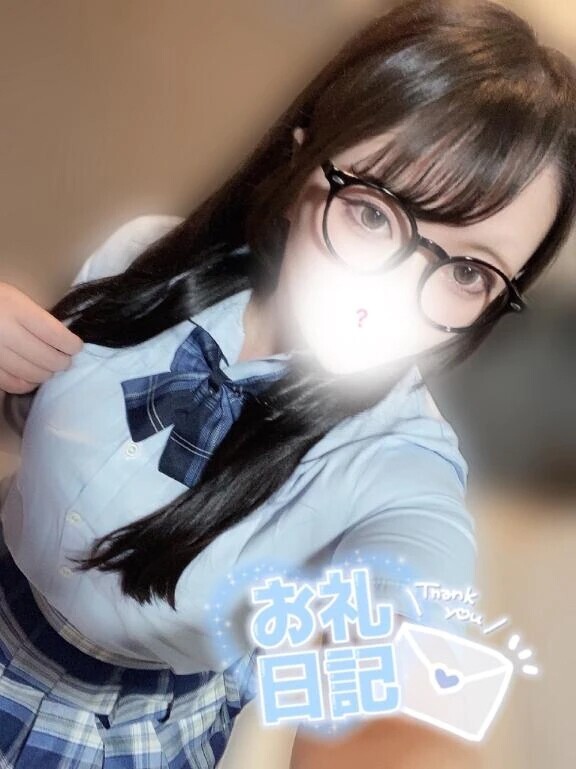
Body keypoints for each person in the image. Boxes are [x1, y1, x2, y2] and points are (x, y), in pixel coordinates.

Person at [0, 0, 574, 766]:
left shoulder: (400, 469)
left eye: (468, 272)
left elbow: (406, 684)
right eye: (375, 215)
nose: (392, 297)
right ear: (303, 159)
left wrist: (392, 712)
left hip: (113, 734)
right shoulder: (145, 257)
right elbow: (41, 435)